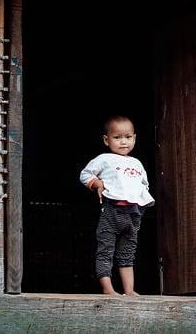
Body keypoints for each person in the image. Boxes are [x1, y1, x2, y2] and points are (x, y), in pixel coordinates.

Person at [79, 116, 154, 296]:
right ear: (107, 140)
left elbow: (144, 185)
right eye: (117, 137)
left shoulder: (137, 163)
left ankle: (129, 290)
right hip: (112, 211)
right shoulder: (104, 159)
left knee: (128, 253)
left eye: (128, 137)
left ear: (134, 138)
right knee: (106, 250)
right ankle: (108, 289)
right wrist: (97, 183)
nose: (123, 142)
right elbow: (84, 174)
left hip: (134, 214)